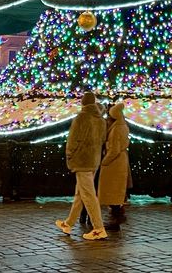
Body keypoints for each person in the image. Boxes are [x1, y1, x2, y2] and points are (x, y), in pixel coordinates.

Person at [54, 92, 107, 240]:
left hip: (82, 161)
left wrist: (69, 155)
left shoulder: (81, 118)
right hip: (94, 161)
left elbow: (73, 139)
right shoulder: (101, 120)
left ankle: (98, 228)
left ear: (83, 103)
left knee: (88, 195)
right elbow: (102, 140)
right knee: (81, 194)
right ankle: (68, 223)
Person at [98, 102, 131, 230]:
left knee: (113, 192)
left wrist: (104, 161)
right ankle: (116, 217)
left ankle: (117, 218)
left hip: (114, 163)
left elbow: (114, 149)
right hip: (118, 162)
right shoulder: (122, 126)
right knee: (115, 192)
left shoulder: (117, 128)